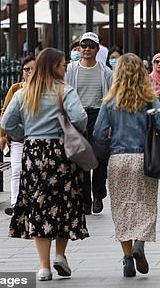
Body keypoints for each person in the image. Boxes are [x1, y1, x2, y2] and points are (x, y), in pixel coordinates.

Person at [2, 48, 89, 281]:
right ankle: (60, 254)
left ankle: (43, 266)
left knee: (38, 206)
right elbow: (80, 118)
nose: (66, 68)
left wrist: (26, 135)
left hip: (33, 154)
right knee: (65, 202)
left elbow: (6, 122)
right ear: (53, 67)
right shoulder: (64, 90)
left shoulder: (24, 93)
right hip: (61, 154)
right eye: (62, 65)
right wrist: (67, 131)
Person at [93, 53, 160, 277]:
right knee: (145, 204)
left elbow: (98, 132)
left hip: (118, 159)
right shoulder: (149, 98)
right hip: (144, 158)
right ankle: (139, 243)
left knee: (121, 207)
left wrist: (109, 146)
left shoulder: (110, 100)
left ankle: (127, 258)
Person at [65, 32, 114, 215]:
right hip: (77, 116)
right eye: (83, 45)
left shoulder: (105, 71)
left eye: (91, 46)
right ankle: (85, 199)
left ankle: (98, 194)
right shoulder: (71, 70)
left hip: (98, 116)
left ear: (97, 49)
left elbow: (111, 97)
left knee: (100, 157)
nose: (86, 49)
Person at [0, 55, 36, 215]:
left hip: (37, 137)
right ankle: (15, 203)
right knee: (16, 169)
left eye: (32, 69)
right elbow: (4, 111)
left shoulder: (46, 90)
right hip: (18, 137)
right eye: (26, 69)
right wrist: (2, 135)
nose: (29, 72)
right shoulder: (16, 89)